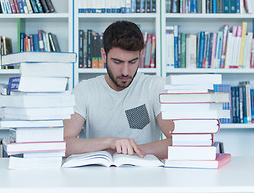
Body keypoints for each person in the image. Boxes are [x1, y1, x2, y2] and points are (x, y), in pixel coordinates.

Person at [64, 21, 174, 159]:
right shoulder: (84, 90)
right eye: (117, 62)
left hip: (146, 176)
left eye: (133, 62)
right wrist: (110, 142)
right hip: (97, 175)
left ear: (141, 54)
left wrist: (131, 150)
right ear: (104, 55)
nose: (125, 72)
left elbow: (179, 141)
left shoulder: (155, 87)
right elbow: (64, 144)